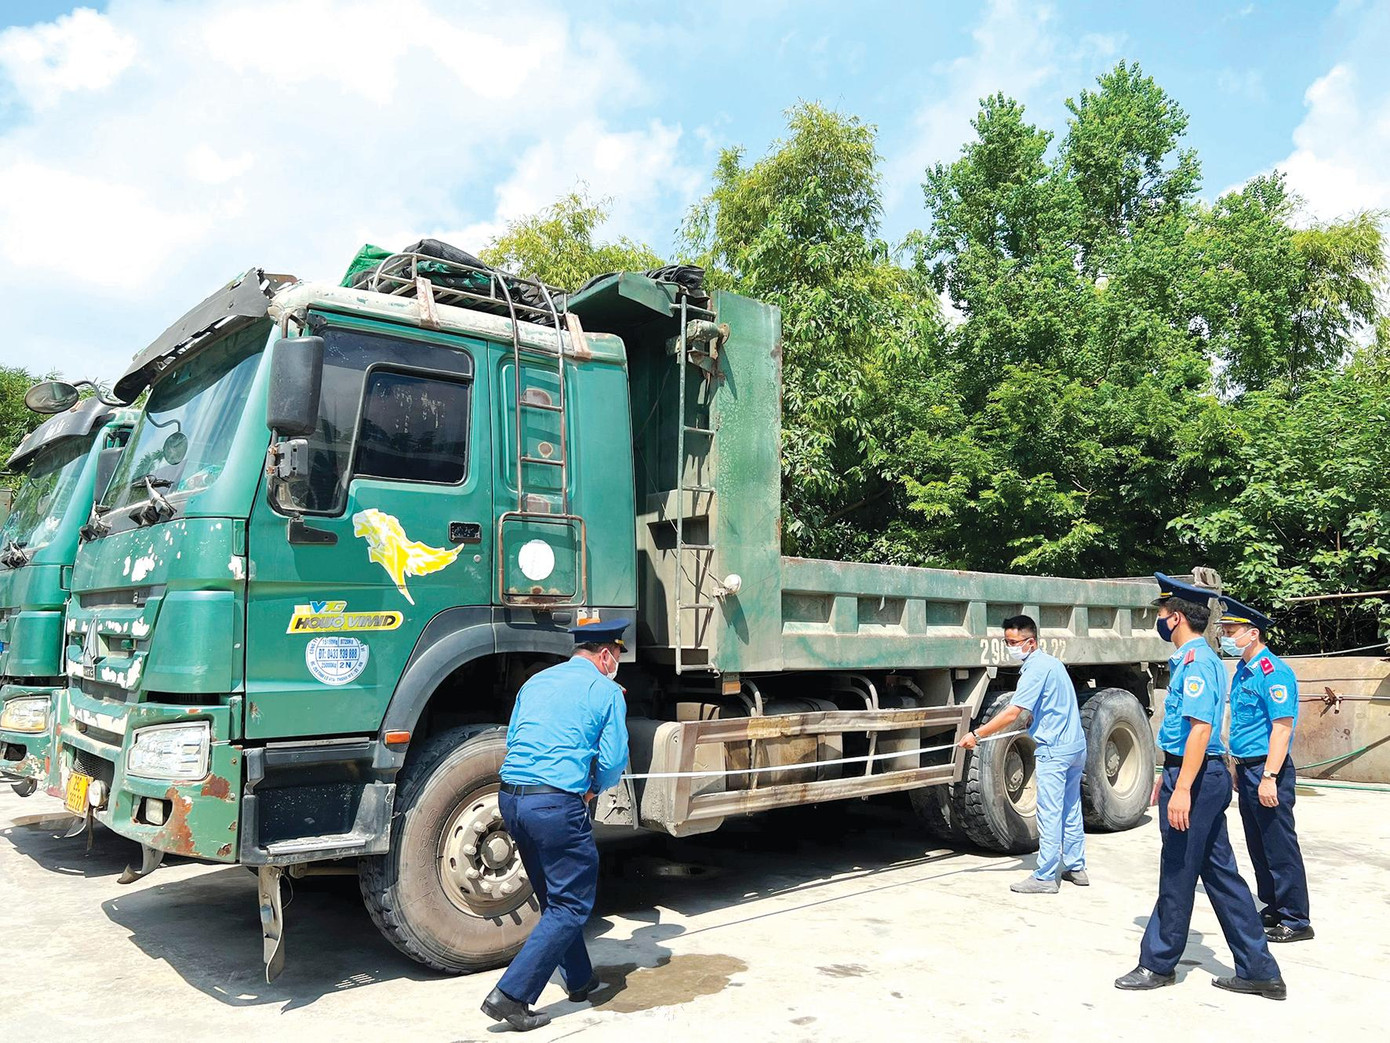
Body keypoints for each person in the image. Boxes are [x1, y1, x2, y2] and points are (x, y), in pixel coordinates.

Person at [1115, 574, 1285, 1000]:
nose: (1157, 619)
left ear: (1175, 618)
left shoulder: (1195, 662)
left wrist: (1183, 787)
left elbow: (1199, 731)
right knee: (1222, 876)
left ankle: (1157, 963)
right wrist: (1167, 774)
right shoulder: (1196, 660)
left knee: (1176, 872)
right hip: (1192, 773)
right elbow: (1185, 734)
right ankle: (1259, 969)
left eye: (1160, 612)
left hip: (1196, 777)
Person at [481, 619, 631, 1032]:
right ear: (605, 655)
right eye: (617, 656)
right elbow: (614, 760)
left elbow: (514, 738)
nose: (617, 663)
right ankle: (511, 996)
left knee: (554, 898)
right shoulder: (606, 691)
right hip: (556, 805)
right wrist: (591, 789)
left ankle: (580, 980)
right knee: (571, 904)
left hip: (511, 797)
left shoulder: (536, 682)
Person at [960, 614, 1087, 893]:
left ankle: (1044, 877)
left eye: (1014, 642)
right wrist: (1036, 719)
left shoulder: (1034, 669)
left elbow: (1012, 712)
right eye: (1006, 642)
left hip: (1054, 748)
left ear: (1031, 642)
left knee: (1049, 812)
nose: (1010, 647)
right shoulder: (1053, 664)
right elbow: (1051, 703)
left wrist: (977, 734)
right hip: (1075, 746)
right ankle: (1076, 866)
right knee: (1070, 806)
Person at [1218, 596, 1314, 944]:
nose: (1227, 636)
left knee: (1279, 845)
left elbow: (1282, 728)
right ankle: (1273, 905)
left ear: (1253, 633)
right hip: (1246, 769)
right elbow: (1241, 723)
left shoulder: (1275, 673)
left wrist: (1270, 777)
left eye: (1231, 630)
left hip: (1267, 770)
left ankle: (1296, 918)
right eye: (1225, 630)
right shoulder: (1244, 671)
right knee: (1258, 845)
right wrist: (1233, 765)